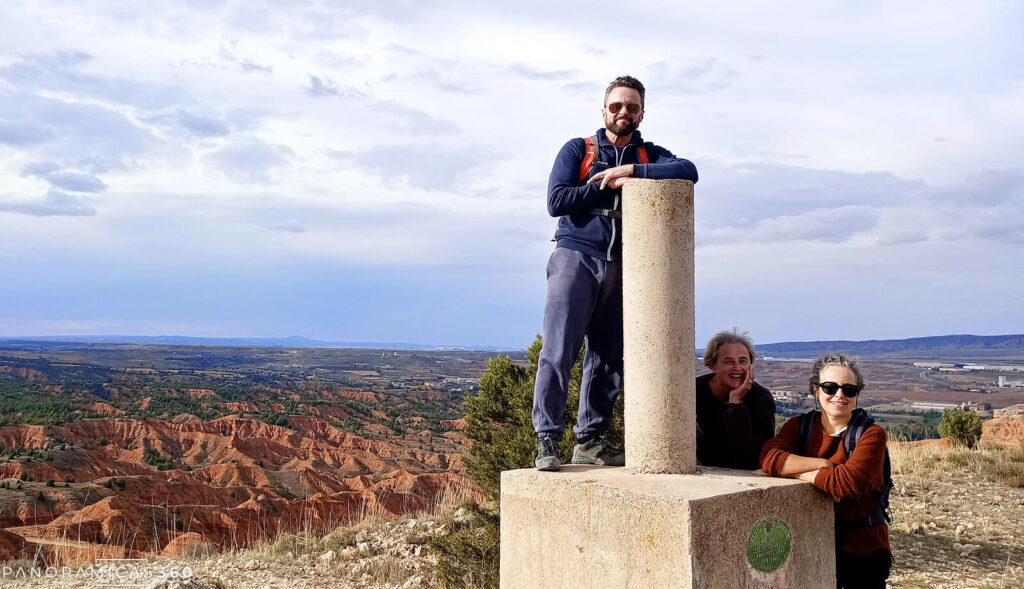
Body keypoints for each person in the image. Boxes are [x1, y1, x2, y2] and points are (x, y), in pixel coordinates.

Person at [532, 75, 699, 471]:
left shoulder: (648, 155)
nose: (624, 113)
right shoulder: (579, 149)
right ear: (603, 110)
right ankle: (547, 441)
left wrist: (633, 174)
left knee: (608, 357)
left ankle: (589, 442)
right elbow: (558, 200)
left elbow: (688, 170)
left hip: (626, 263)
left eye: (633, 107)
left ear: (642, 113)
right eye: (617, 106)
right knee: (559, 350)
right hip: (576, 254)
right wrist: (607, 184)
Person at [760, 353, 892, 588]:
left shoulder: (871, 435)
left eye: (849, 390)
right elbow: (768, 458)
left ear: (856, 395)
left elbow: (846, 484)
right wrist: (822, 465)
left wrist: (796, 470)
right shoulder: (799, 426)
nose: (839, 395)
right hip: (812, 546)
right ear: (816, 390)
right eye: (830, 387)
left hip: (863, 551)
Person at [696, 329, 775, 469]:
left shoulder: (762, 399)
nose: (737, 368)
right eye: (728, 362)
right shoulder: (695, 391)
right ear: (712, 365)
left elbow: (750, 455)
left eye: (743, 361)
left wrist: (736, 403)